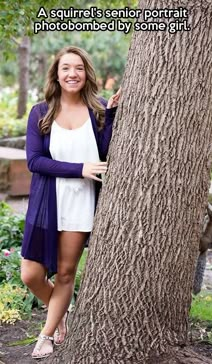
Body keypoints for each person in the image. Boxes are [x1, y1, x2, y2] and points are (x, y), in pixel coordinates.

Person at [20, 45, 121, 359]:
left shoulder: (98, 109)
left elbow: (105, 152)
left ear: (86, 73)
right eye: (66, 68)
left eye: (78, 68)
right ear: (57, 74)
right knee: (31, 275)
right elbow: (34, 161)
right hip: (47, 202)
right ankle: (59, 309)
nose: (72, 74)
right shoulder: (41, 111)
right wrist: (80, 169)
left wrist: (114, 113)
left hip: (80, 204)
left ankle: (46, 335)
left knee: (65, 273)